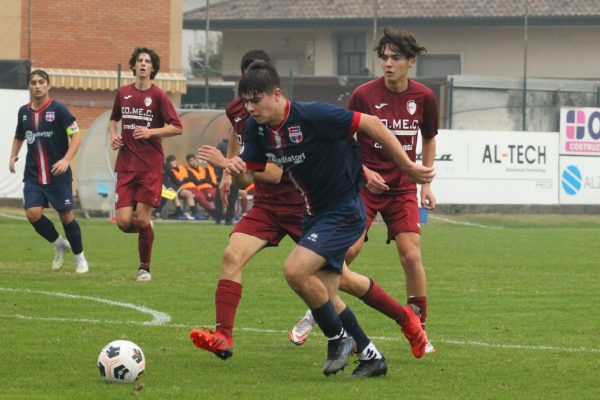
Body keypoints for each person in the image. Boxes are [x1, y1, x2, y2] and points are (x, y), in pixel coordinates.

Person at [198, 60, 435, 378]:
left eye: (256, 99)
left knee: (295, 270)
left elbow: (373, 124)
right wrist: (233, 168)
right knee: (327, 288)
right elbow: (248, 178)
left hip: (344, 209)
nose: (250, 108)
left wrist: (408, 168)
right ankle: (373, 353)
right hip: (312, 214)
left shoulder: (312, 116)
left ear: (277, 94)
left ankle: (339, 338)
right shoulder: (256, 129)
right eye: (246, 101)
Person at [289, 29, 438, 353]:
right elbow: (344, 141)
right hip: (363, 186)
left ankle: (419, 328)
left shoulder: (424, 97)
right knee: (346, 254)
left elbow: (428, 137)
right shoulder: (363, 95)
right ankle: (319, 310)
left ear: (411, 61)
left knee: (411, 256)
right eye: (383, 57)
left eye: (395, 57)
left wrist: (425, 183)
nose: (387, 63)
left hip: (401, 188)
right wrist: (365, 171)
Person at [191, 50, 305, 364]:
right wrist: (231, 173)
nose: (251, 101)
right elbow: (237, 144)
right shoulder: (239, 112)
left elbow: (278, 171)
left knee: (334, 276)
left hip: (301, 204)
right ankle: (223, 336)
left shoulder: (284, 117)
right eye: (246, 89)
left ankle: (357, 334)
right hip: (267, 206)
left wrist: (228, 164)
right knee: (232, 254)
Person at [109, 47, 183, 282]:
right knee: (122, 222)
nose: (142, 64)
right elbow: (114, 120)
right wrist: (114, 135)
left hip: (150, 165)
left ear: (153, 68)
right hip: (126, 164)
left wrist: (151, 131)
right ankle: (148, 229)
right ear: (133, 66)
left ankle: (144, 268)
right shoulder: (123, 93)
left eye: (147, 61)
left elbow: (177, 126)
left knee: (140, 219)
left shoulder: (159, 96)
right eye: (139, 60)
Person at [8, 69, 89, 273]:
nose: (37, 85)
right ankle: (59, 244)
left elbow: (76, 136)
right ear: (29, 86)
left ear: (48, 85)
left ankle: (80, 257)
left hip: (58, 175)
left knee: (66, 216)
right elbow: (19, 136)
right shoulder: (24, 112)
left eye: (41, 82)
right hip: (34, 175)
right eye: (33, 82)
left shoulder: (59, 110)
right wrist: (13, 155)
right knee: (32, 213)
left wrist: (66, 159)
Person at [165, 155, 205, 220]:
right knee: (174, 194)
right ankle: (180, 213)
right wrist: (182, 181)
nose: (174, 163)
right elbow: (176, 181)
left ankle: (195, 213)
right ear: (169, 163)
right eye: (172, 162)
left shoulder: (181, 167)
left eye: (174, 161)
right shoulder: (169, 170)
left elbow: (191, 177)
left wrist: (183, 180)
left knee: (189, 193)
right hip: (171, 188)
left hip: (177, 188)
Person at [185, 153, 217, 218]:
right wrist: (203, 180)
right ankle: (213, 213)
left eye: (192, 160)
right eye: (190, 161)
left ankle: (222, 212)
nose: (192, 162)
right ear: (188, 163)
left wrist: (202, 181)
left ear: (195, 160)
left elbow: (208, 179)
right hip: (200, 188)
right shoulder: (189, 170)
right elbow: (195, 181)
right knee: (204, 197)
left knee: (218, 196)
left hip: (208, 186)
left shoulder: (202, 169)